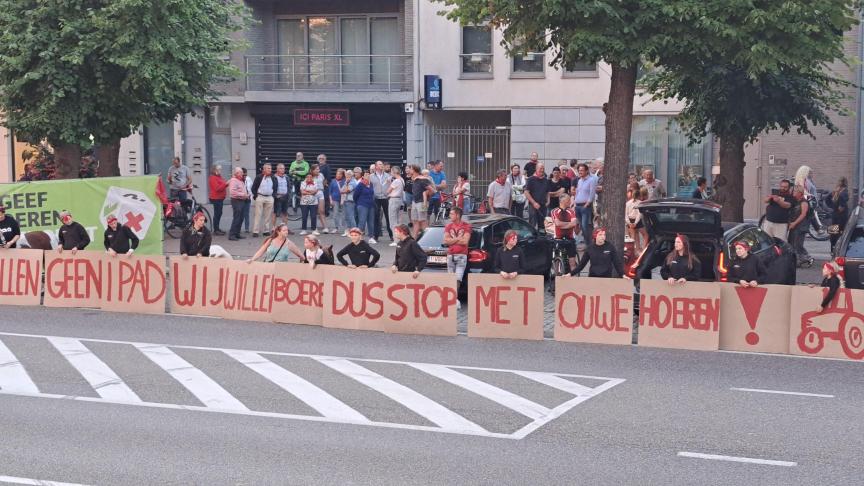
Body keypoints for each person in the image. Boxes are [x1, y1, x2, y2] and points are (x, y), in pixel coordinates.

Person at [444, 207, 471, 295]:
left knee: (457, 279)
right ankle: (451, 298)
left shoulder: (466, 226)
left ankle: (453, 298)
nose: (449, 215)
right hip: (450, 255)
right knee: (450, 279)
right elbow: (445, 241)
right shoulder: (448, 226)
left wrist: (452, 240)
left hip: (461, 256)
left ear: (458, 215)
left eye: (452, 214)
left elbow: (465, 241)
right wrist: (458, 238)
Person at [550, 194, 579, 270]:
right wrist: (569, 224)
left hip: (570, 238)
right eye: (568, 200)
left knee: (572, 262)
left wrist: (562, 224)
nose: (570, 202)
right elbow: (557, 224)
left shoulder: (571, 211)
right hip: (558, 238)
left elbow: (574, 223)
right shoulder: (555, 211)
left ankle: (574, 278)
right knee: (556, 259)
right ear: (563, 201)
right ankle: (557, 275)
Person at [788, 185, 812, 266]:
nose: (793, 193)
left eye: (795, 191)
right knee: (792, 243)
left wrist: (794, 223)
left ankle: (807, 258)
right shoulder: (795, 201)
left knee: (798, 244)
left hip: (801, 226)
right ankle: (798, 259)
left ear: (799, 193)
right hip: (795, 226)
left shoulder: (804, 202)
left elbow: (803, 214)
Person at [409, 165, 435, 238]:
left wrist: (426, 195)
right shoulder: (415, 179)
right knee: (415, 221)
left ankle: (427, 239)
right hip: (415, 202)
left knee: (423, 221)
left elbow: (433, 191)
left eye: (410, 169)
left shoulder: (422, 179)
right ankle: (414, 239)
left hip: (421, 202)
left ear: (414, 170)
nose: (408, 170)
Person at [251, 163, 276, 237]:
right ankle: (255, 231)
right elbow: (253, 188)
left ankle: (266, 230)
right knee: (258, 214)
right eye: (268, 168)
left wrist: (273, 196)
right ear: (264, 169)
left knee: (267, 215)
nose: (270, 170)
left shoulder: (273, 177)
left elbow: (275, 187)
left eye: (270, 168)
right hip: (260, 197)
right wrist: (256, 196)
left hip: (269, 197)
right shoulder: (259, 177)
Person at [370, 160, 393, 242]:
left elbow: (392, 186)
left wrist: (389, 194)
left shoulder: (388, 176)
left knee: (388, 217)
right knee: (376, 217)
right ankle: (376, 235)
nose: (381, 165)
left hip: (385, 198)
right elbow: (369, 187)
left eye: (382, 164)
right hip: (376, 198)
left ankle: (391, 235)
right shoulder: (371, 176)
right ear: (376, 166)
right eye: (379, 164)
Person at [572, 163, 597, 236]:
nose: (580, 172)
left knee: (585, 226)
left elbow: (592, 194)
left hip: (585, 206)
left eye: (582, 170)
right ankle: (586, 242)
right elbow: (577, 193)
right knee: (581, 226)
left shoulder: (591, 180)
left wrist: (586, 205)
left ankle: (588, 243)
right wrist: (574, 203)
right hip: (577, 206)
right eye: (579, 170)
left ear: (586, 171)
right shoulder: (579, 181)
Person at [525, 162, 551, 231]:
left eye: (543, 168)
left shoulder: (546, 180)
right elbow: (526, 192)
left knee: (542, 225)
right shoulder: (530, 179)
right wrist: (534, 203)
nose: (542, 170)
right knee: (532, 225)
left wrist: (548, 201)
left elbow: (547, 192)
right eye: (540, 168)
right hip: (533, 206)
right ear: (536, 169)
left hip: (543, 206)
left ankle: (542, 239)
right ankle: (532, 240)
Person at [826, 176, 850, 252]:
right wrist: (836, 208)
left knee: (834, 235)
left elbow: (827, 200)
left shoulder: (838, 192)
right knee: (838, 235)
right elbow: (841, 208)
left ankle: (833, 250)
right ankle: (836, 250)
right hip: (840, 218)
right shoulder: (844, 193)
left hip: (837, 217)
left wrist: (834, 207)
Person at [228, 167, 249, 241]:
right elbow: (232, 192)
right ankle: (232, 235)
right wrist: (243, 194)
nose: (242, 174)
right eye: (241, 173)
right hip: (236, 201)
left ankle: (237, 233)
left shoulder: (240, 180)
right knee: (237, 218)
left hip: (241, 201)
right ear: (237, 173)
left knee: (241, 218)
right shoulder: (234, 181)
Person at [354, 171, 376, 241]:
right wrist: (358, 203)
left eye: (369, 175)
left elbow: (372, 194)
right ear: (363, 176)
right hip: (362, 205)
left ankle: (371, 237)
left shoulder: (371, 184)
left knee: (371, 222)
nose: (368, 176)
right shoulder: (360, 184)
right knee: (362, 222)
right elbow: (355, 195)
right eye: (366, 175)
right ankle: (359, 238)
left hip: (371, 205)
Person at [208, 165, 229, 236]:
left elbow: (222, 185)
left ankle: (217, 228)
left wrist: (226, 184)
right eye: (219, 169)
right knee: (217, 213)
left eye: (220, 169)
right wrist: (225, 184)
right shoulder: (213, 178)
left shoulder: (218, 177)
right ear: (215, 170)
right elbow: (217, 188)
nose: (220, 171)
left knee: (219, 213)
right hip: (216, 198)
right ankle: (216, 229)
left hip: (220, 198)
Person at [386, 166, 405, 246]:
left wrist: (388, 183)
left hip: (394, 200)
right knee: (399, 221)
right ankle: (400, 238)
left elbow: (388, 191)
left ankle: (396, 240)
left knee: (393, 221)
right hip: (400, 200)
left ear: (394, 172)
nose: (390, 173)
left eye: (391, 172)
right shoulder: (402, 180)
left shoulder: (396, 181)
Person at [272, 163, 291, 232]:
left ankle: (285, 228)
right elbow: (272, 187)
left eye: (283, 168)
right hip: (278, 197)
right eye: (280, 168)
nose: (282, 170)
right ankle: (273, 228)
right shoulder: (274, 177)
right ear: (277, 169)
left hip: (285, 196)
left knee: (285, 213)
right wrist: (275, 195)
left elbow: (289, 186)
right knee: (275, 213)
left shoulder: (286, 177)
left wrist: (289, 194)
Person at [626, 182, 644, 254]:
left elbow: (626, 214)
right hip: (636, 220)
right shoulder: (640, 202)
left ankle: (634, 250)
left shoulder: (627, 203)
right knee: (636, 235)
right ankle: (637, 249)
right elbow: (639, 214)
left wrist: (629, 223)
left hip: (630, 219)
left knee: (633, 236)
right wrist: (635, 223)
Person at [311, 164, 330, 233]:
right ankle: (314, 228)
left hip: (321, 193)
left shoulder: (321, 175)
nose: (318, 170)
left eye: (318, 169)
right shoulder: (310, 177)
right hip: (313, 194)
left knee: (321, 210)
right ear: (312, 170)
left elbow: (324, 181)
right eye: (316, 169)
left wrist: (325, 185)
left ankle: (325, 227)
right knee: (313, 212)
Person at [329, 168, 347, 236]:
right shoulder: (333, 181)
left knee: (344, 214)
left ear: (342, 175)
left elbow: (348, 177)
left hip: (343, 199)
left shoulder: (345, 181)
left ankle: (345, 228)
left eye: (340, 174)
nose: (338, 175)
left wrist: (344, 171)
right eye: (337, 174)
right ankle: (336, 227)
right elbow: (330, 192)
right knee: (335, 213)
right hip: (335, 199)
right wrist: (330, 200)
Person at [342, 168, 360, 234]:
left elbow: (347, 190)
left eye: (348, 176)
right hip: (346, 200)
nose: (347, 177)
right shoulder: (347, 182)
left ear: (351, 176)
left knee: (351, 216)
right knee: (346, 216)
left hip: (350, 201)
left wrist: (346, 185)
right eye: (346, 176)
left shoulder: (352, 182)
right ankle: (348, 230)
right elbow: (341, 190)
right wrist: (344, 189)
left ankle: (355, 231)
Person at [242, 168, 253, 234]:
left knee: (246, 214)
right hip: (241, 198)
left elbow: (251, 187)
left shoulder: (248, 179)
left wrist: (250, 195)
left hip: (247, 198)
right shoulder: (238, 180)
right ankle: (238, 227)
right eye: (244, 175)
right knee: (240, 214)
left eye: (246, 174)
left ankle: (247, 228)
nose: (245, 176)